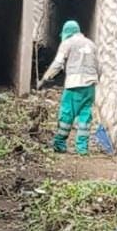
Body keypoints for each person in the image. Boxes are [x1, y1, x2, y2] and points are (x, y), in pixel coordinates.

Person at [39, 20, 99, 155]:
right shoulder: (92, 44)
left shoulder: (67, 43)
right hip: (90, 86)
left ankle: (59, 143)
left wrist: (45, 78)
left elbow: (58, 63)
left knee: (66, 114)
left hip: (73, 85)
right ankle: (82, 148)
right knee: (85, 115)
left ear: (67, 32)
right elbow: (98, 66)